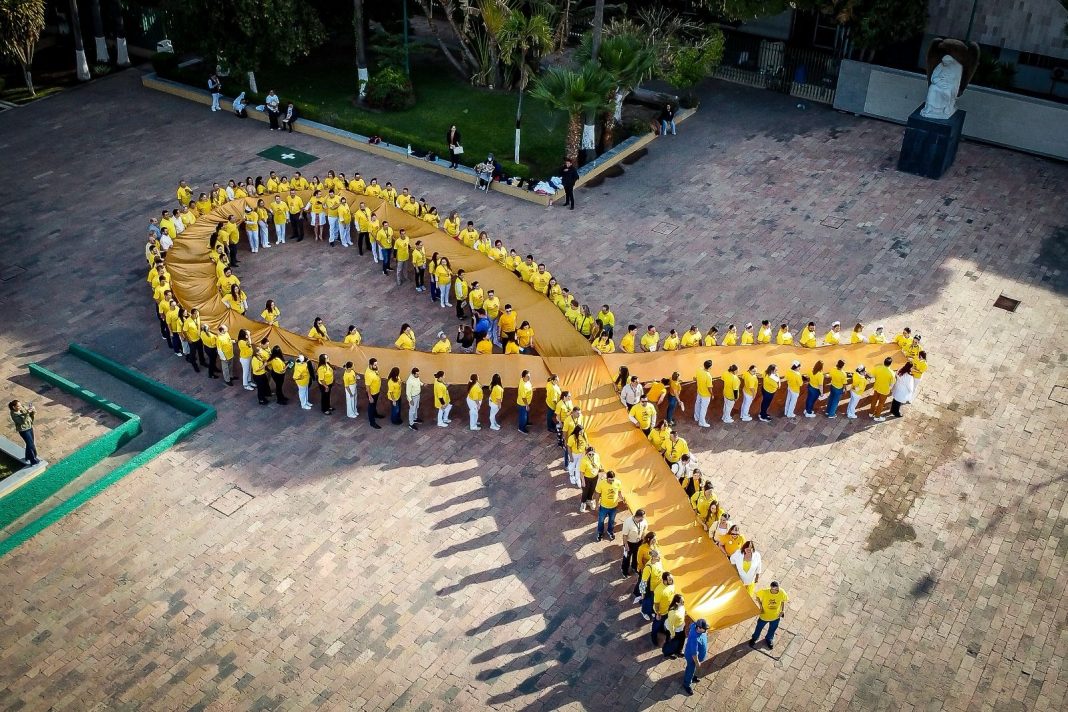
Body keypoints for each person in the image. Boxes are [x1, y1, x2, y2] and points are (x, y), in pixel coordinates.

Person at [750, 581, 789, 650]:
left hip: (776, 616)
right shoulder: (765, 592)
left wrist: (782, 610)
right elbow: (757, 596)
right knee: (759, 627)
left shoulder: (782, 592)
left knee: (772, 629)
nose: (776, 591)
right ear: (771, 588)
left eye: (777, 589)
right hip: (764, 616)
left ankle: (769, 639)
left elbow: (783, 601)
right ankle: (754, 638)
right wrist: (761, 606)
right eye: (774, 589)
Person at [595, 470, 624, 541]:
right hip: (603, 507)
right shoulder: (601, 483)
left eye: (612, 480)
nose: (611, 481)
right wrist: (597, 504)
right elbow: (597, 494)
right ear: (606, 478)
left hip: (614, 507)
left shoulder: (618, 482)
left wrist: (622, 498)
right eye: (609, 480)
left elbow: (619, 492)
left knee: (611, 521)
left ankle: (610, 531)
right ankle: (600, 532)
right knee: (601, 521)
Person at [682, 619, 709, 695]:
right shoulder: (694, 639)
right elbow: (694, 654)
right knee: (690, 669)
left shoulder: (694, 625)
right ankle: (686, 684)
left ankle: (693, 676)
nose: (705, 630)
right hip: (692, 658)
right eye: (704, 629)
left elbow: (691, 624)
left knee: (692, 669)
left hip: (695, 655)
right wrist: (697, 663)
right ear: (699, 628)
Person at [8, 400, 39, 465]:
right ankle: (33, 460)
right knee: (31, 445)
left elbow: (30, 415)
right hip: (23, 430)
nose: (20, 406)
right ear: (14, 407)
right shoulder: (14, 414)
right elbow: (21, 422)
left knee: (30, 443)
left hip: (29, 427)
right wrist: (27, 413)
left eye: (20, 405)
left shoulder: (22, 407)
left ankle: (28, 457)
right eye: (18, 406)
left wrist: (32, 410)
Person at [620, 509, 648, 576]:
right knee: (627, 558)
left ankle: (634, 567)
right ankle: (624, 570)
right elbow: (625, 535)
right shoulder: (628, 522)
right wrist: (626, 545)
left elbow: (644, 529)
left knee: (636, 556)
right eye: (642, 518)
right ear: (637, 516)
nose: (643, 520)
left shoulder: (643, 521)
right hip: (629, 543)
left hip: (639, 542)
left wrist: (643, 539)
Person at [662, 594, 687, 659]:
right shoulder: (673, 613)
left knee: (682, 639)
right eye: (682, 602)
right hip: (674, 630)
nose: (683, 603)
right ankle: (667, 653)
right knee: (671, 643)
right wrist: (672, 634)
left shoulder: (681, 606)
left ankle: (679, 652)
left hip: (681, 627)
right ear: (677, 603)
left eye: (683, 601)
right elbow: (671, 625)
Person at [870, 356, 895, 421]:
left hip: (876, 387)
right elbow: (892, 384)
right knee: (881, 404)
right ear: (890, 364)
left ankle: (871, 413)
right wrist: (889, 389)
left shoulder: (877, 368)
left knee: (874, 401)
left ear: (884, 362)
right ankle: (877, 417)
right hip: (885, 391)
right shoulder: (892, 373)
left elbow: (872, 375)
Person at [693, 360, 713, 428]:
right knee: (703, 409)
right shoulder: (708, 376)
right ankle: (701, 422)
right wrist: (712, 394)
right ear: (709, 367)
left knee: (697, 404)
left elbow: (695, 378)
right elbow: (709, 387)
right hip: (706, 395)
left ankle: (696, 417)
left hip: (699, 391)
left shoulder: (699, 370)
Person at [365, 358, 383, 429]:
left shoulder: (374, 369)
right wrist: (370, 397)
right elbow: (367, 387)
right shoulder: (368, 374)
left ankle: (375, 414)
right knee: (371, 407)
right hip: (372, 393)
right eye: (375, 365)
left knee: (374, 405)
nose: (376, 366)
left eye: (376, 364)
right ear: (370, 365)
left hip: (376, 391)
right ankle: (372, 422)